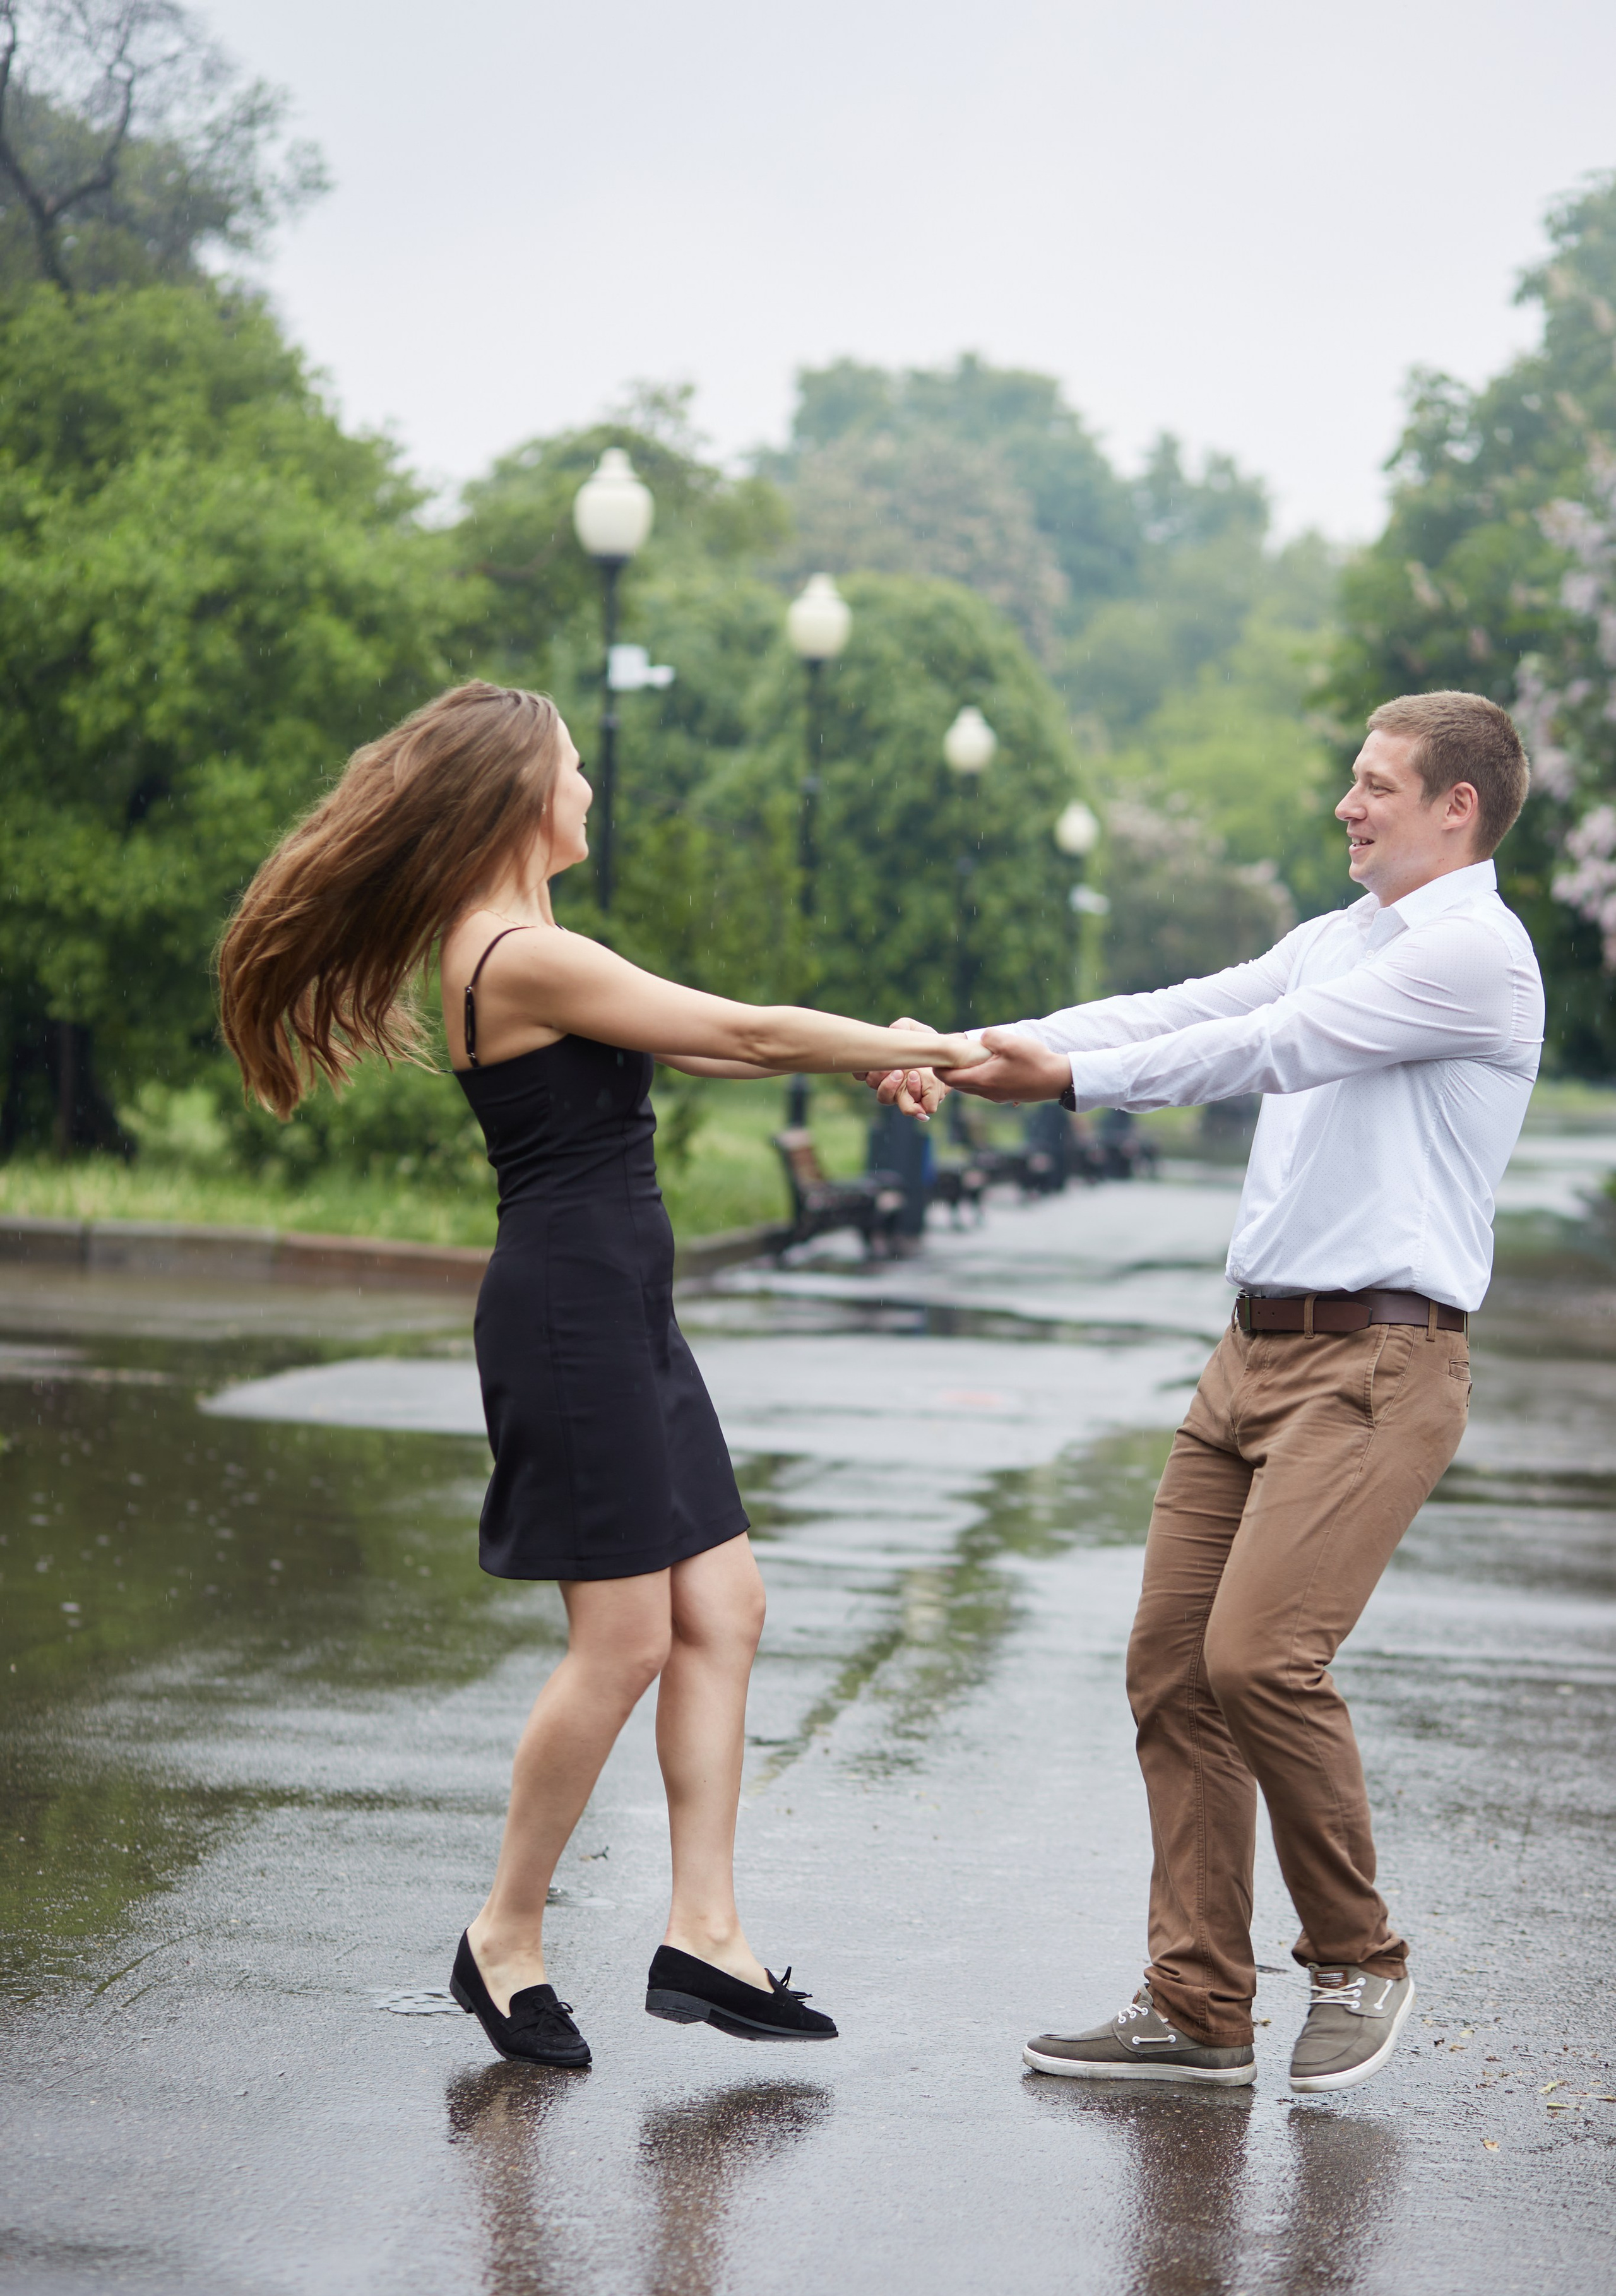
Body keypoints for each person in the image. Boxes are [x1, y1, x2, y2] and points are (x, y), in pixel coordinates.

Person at [218, 681, 983, 2069]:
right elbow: (746, 1030)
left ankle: (705, 1931)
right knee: (625, 1638)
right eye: (573, 769)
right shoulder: (505, 951)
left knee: (724, 1608)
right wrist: (913, 1044)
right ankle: (502, 1936)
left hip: (621, 1305)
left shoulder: (543, 943)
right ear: (521, 796)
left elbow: (697, 1044)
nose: (588, 790)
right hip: (568, 1316)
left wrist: (875, 1058)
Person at [872, 691, 1543, 2095]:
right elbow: (1193, 1004)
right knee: (1171, 1669)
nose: (1346, 806)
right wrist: (985, 1043)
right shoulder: (1342, 937)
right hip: (1248, 1356)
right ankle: (1196, 2008)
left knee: (1256, 1662)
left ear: (1453, 808)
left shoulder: (1471, 955)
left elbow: (1262, 1050)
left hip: (1374, 1364)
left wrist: (1064, 1078)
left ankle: (1358, 1956)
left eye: (1373, 786)